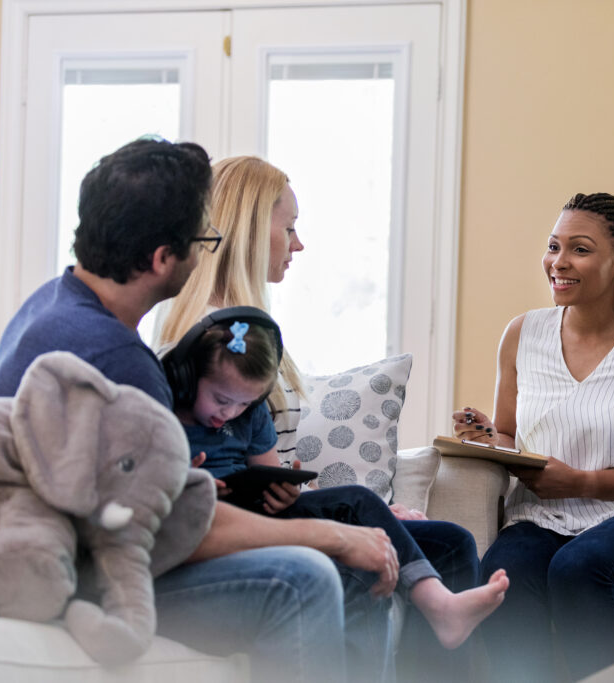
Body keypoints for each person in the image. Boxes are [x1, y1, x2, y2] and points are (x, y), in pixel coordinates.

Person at [0, 137, 400, 683]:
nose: (207, 250)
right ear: (162, 259)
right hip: (82, 568)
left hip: (55, 543)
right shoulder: (117, 360)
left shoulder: (51, 302)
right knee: (302, 576)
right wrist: (333, 536)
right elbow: (177, 526)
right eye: (200, 239)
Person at [155, 155, 492, 681]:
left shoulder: (257, 341)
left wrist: (371, 518)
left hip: (268, 509)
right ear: (247, 231)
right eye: (288, 227)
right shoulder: (199, 353)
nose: (298, 243)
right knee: (370, 546)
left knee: (451, 543)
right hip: (230, 525)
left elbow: (274, 468)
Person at [453, 192, 614, 682]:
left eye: (580, 249)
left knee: (578, 567)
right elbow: (510, 435)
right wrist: (486, 437)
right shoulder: (522, 333)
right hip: (542, 515)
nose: (558, 262)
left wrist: (585, 483)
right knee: (502, 577)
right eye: (554, 246)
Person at [167, 311, 508, 649]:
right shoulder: (164, 408)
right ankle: (438, 604)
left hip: (256, 511)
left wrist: (284, 492)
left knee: (357, 499)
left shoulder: (250, 412)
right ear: (188, 377)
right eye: (221, 400)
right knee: (364, 559)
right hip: (205, 517)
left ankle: (437, 600)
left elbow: (266, 468)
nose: (228, 413)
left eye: (242, 404)